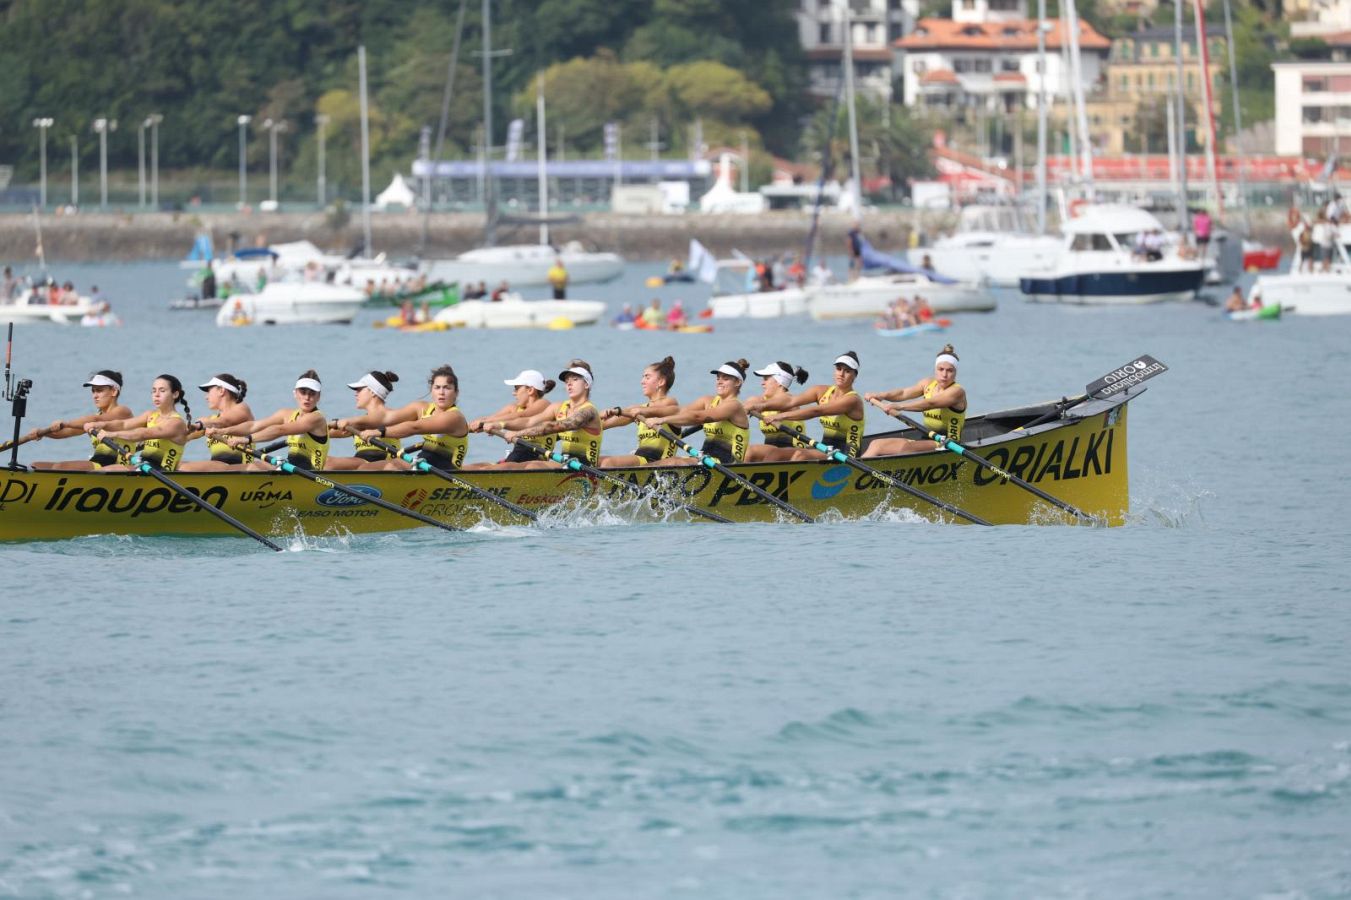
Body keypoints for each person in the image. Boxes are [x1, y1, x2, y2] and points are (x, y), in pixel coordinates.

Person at [485, 360, 603, 469]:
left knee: (533, 467)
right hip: (566, 462)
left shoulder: (589, 411)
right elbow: (529, 421)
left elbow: (557, 426)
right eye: (567, 381)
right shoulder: (558, 407)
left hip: (585, 467)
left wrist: (517, 433)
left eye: (575, 380)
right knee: (521, 465)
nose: (569, 384)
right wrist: (500, 424)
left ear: (586, 385)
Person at [208, 370, 329, 472]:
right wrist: (222, 430)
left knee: (255, 467)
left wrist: (246, 439)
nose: (307, 398)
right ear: (295, 393)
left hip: (309, 475)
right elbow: (253, 426)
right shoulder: (286, 414)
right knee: (250, 467)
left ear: (319, 397)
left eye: (312, 394)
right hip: (291, 469)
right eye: (303, 392)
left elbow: (280, 430)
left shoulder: (316, 418)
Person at [637, 359, 751, 465]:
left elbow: (698, 417)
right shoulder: (707, 401)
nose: (719, 382)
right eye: (718, 378)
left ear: (737, 383)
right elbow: (680, 412)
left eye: (725, 379)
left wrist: (662, 420)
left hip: (729, 464)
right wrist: (644, 411)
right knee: (670, 461)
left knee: (673, 463)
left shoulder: (734, 406)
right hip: (706, 458)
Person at [358, 365, 469, 471]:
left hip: (447, 470)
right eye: (437, 387)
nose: (441, 392)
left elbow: (414, 427)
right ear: (432, 390)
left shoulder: (454, 417)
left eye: (447, 388)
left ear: (456, 393)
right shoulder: (423, 408)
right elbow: (387, 418)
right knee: (365, 468)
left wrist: (379, 432)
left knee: (394, 464)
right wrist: (349, 422)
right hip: (425, 464)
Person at [863, 344, 967, 457]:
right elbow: (903, 393)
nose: (944, 374)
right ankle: (856, 473)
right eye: (941, 369)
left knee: (906, 448)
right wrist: (880, 395)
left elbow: (930, 403)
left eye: (950, 371)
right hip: (927, 439)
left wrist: (899, 407)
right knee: (876, 444)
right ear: (935, 369)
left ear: (955, 372)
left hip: (948, 444)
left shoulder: (957, 392)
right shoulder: (927, 383)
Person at [763, 351, 866, 461]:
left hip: (847, 454)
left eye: (847, 371)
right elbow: (791, 401)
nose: (841, 374)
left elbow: (817, 411)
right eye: (839, 369)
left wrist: (780, 416)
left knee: (801, 456)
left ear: (854, 376)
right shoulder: (820, 391)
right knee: (776, 454)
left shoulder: (853, 400)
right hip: (826, 449)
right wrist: (759, 406)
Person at [27, 370, 135, 470]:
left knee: (60, 467)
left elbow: (95, 419)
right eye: (93, 391)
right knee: (36, 465)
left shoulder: (123, 412)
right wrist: (42, 433)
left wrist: (66, 423)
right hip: (98, 464)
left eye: (99, 391)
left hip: (117, 467)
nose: (95, 396)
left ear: (114, 392)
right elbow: (67, 432)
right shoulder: (94, 419)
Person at [82, 375, 192, 472]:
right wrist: (102, 425)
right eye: (154, 391)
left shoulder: (177, 423)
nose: (156, 395)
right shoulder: (150, 415)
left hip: (161, 472)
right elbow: (123, 424)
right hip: (143, 467)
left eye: (162, 391)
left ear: (175, 394)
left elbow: (144, 433)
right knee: (104, 470)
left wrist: (112, 434)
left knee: (107, 471)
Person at [598, 356, 680, 467]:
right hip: (641, 460)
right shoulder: (638, 409)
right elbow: (603, 424)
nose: (642, 381)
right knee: (595, 461)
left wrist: (620, 411)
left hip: (659, 464)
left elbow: (654, 410)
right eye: (643, 377)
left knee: (608, 463)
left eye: (647, 377)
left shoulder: (670, 403)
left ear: (661, 382)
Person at [464, 370, 556, 467]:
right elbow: (491, 418)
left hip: (537, 456)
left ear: (530, 390)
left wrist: (490, 423)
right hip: (519, 454)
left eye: (516, 388)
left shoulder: (544, 404)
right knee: (477, 467)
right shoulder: (513, 407)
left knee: (493, 469)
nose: (513, 393)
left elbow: (522, 416)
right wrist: (468, 427)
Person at [323, 371, 403, 470]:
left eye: (359, 390)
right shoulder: (358, 423)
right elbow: (326, 433)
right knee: (325, 462)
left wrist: (350, 422)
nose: (355, 394)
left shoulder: (393, 416)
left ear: (372, 392)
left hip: (385, 463)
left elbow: (377, 420)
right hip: (361, 462)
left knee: (364, 467)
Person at [178, 374, 255, 471]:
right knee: (172, 465)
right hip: (218, 468)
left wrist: (200, 424)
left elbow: (225, 422)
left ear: (221, 391)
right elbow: (183, 437)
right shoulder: (211, 419)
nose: (206, 397)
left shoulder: (241, 408)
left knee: (185, 468)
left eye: (209, 391)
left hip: (241, 468)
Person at [742, 360, 810, 462]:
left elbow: (779, 402)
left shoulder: (788, 400)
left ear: (779, 381)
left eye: (766, 379)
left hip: (794, 452)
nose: (762, 383)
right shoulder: (762, 401)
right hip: (772, 453)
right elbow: (752, 401)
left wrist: (759, 406)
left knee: (750, 452)